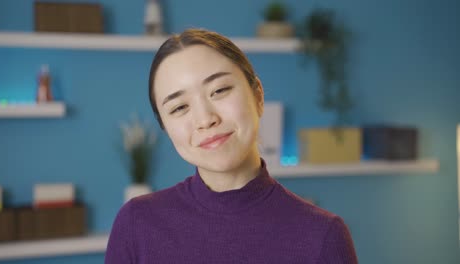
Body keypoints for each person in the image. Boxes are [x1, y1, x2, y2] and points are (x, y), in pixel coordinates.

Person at [105, 28, 358, 264]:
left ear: (258, 95)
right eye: (179, 107)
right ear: (165, 128)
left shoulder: (323, 235)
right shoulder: (136, 224)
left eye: (220, 90)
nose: (206, 119)